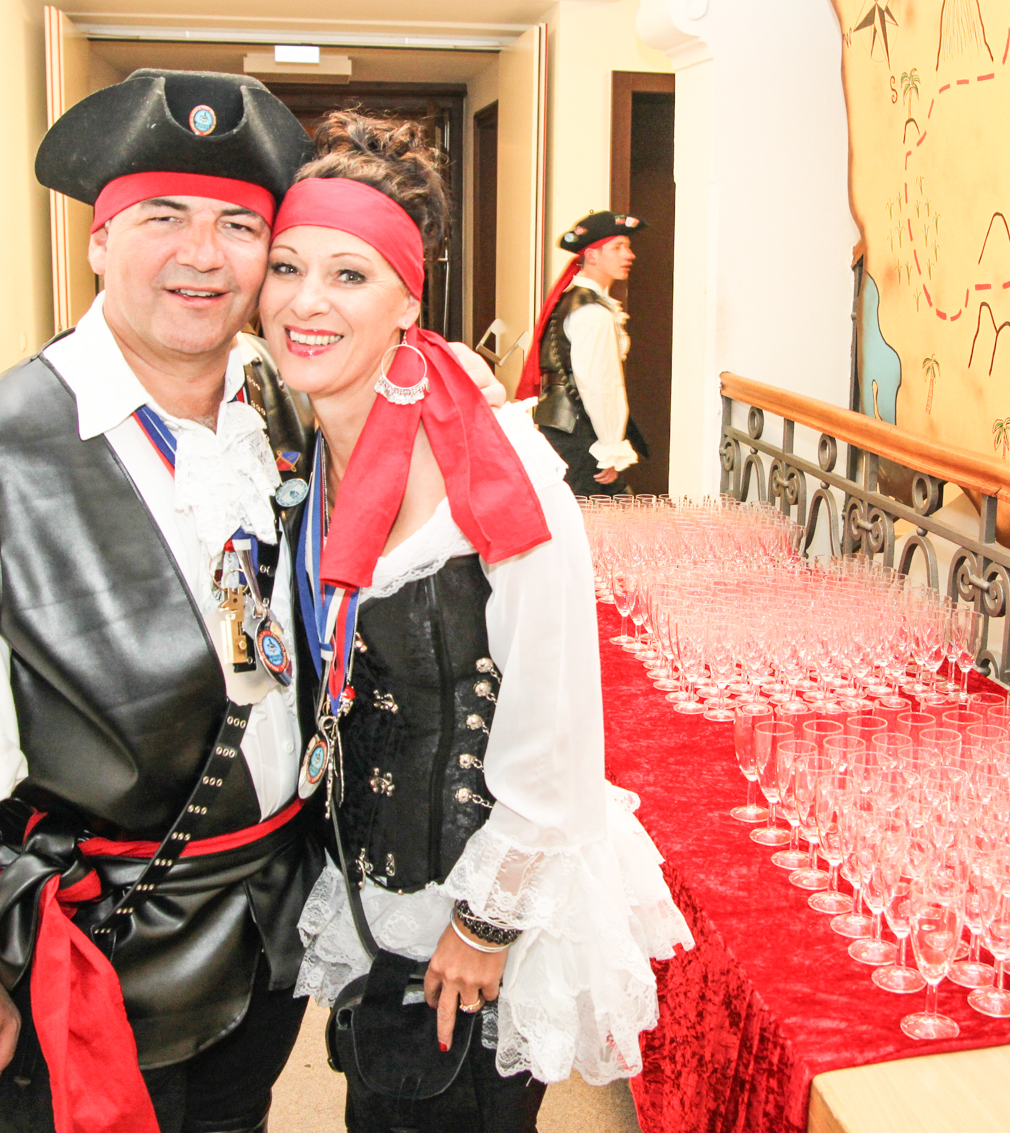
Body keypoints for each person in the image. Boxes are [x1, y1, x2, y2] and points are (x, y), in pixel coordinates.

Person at [0, 69, 329, 1133]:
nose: (203, 254)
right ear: (99, 241)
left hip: (269, 926)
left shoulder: (282, 405)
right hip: (98, 948)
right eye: (164, 216)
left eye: (238, 226)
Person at [260, 115, 691, 1132]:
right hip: (368, 886)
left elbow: (558, 719)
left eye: (350, 274)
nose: (307, 301)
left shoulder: (497, 466)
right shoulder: (296, 432)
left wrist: (487, 923)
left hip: (479, 904)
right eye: (286, 267)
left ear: (409, 298)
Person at [516, 211, 648, 496]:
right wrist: (610, 448)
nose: (629, 255)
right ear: (592, 256)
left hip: (562, 429)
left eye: (627, 247)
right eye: (618, 247)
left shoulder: (573, 299)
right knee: (592, 516)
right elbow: (599, 386)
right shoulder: (593, 312)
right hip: (581, 437)